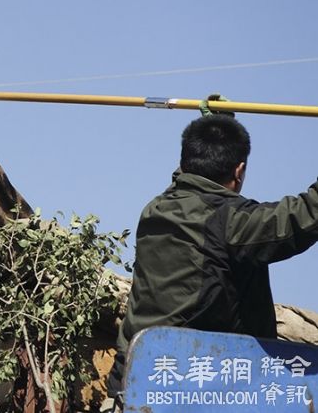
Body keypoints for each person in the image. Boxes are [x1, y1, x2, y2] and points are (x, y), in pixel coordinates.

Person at [103, 112, 318, 411]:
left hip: (131, 388)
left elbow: (190, 177)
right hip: (192, 395)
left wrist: (215, 126)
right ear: (239, 170)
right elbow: (302, 217)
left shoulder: (157, 210)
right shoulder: (229, 222)